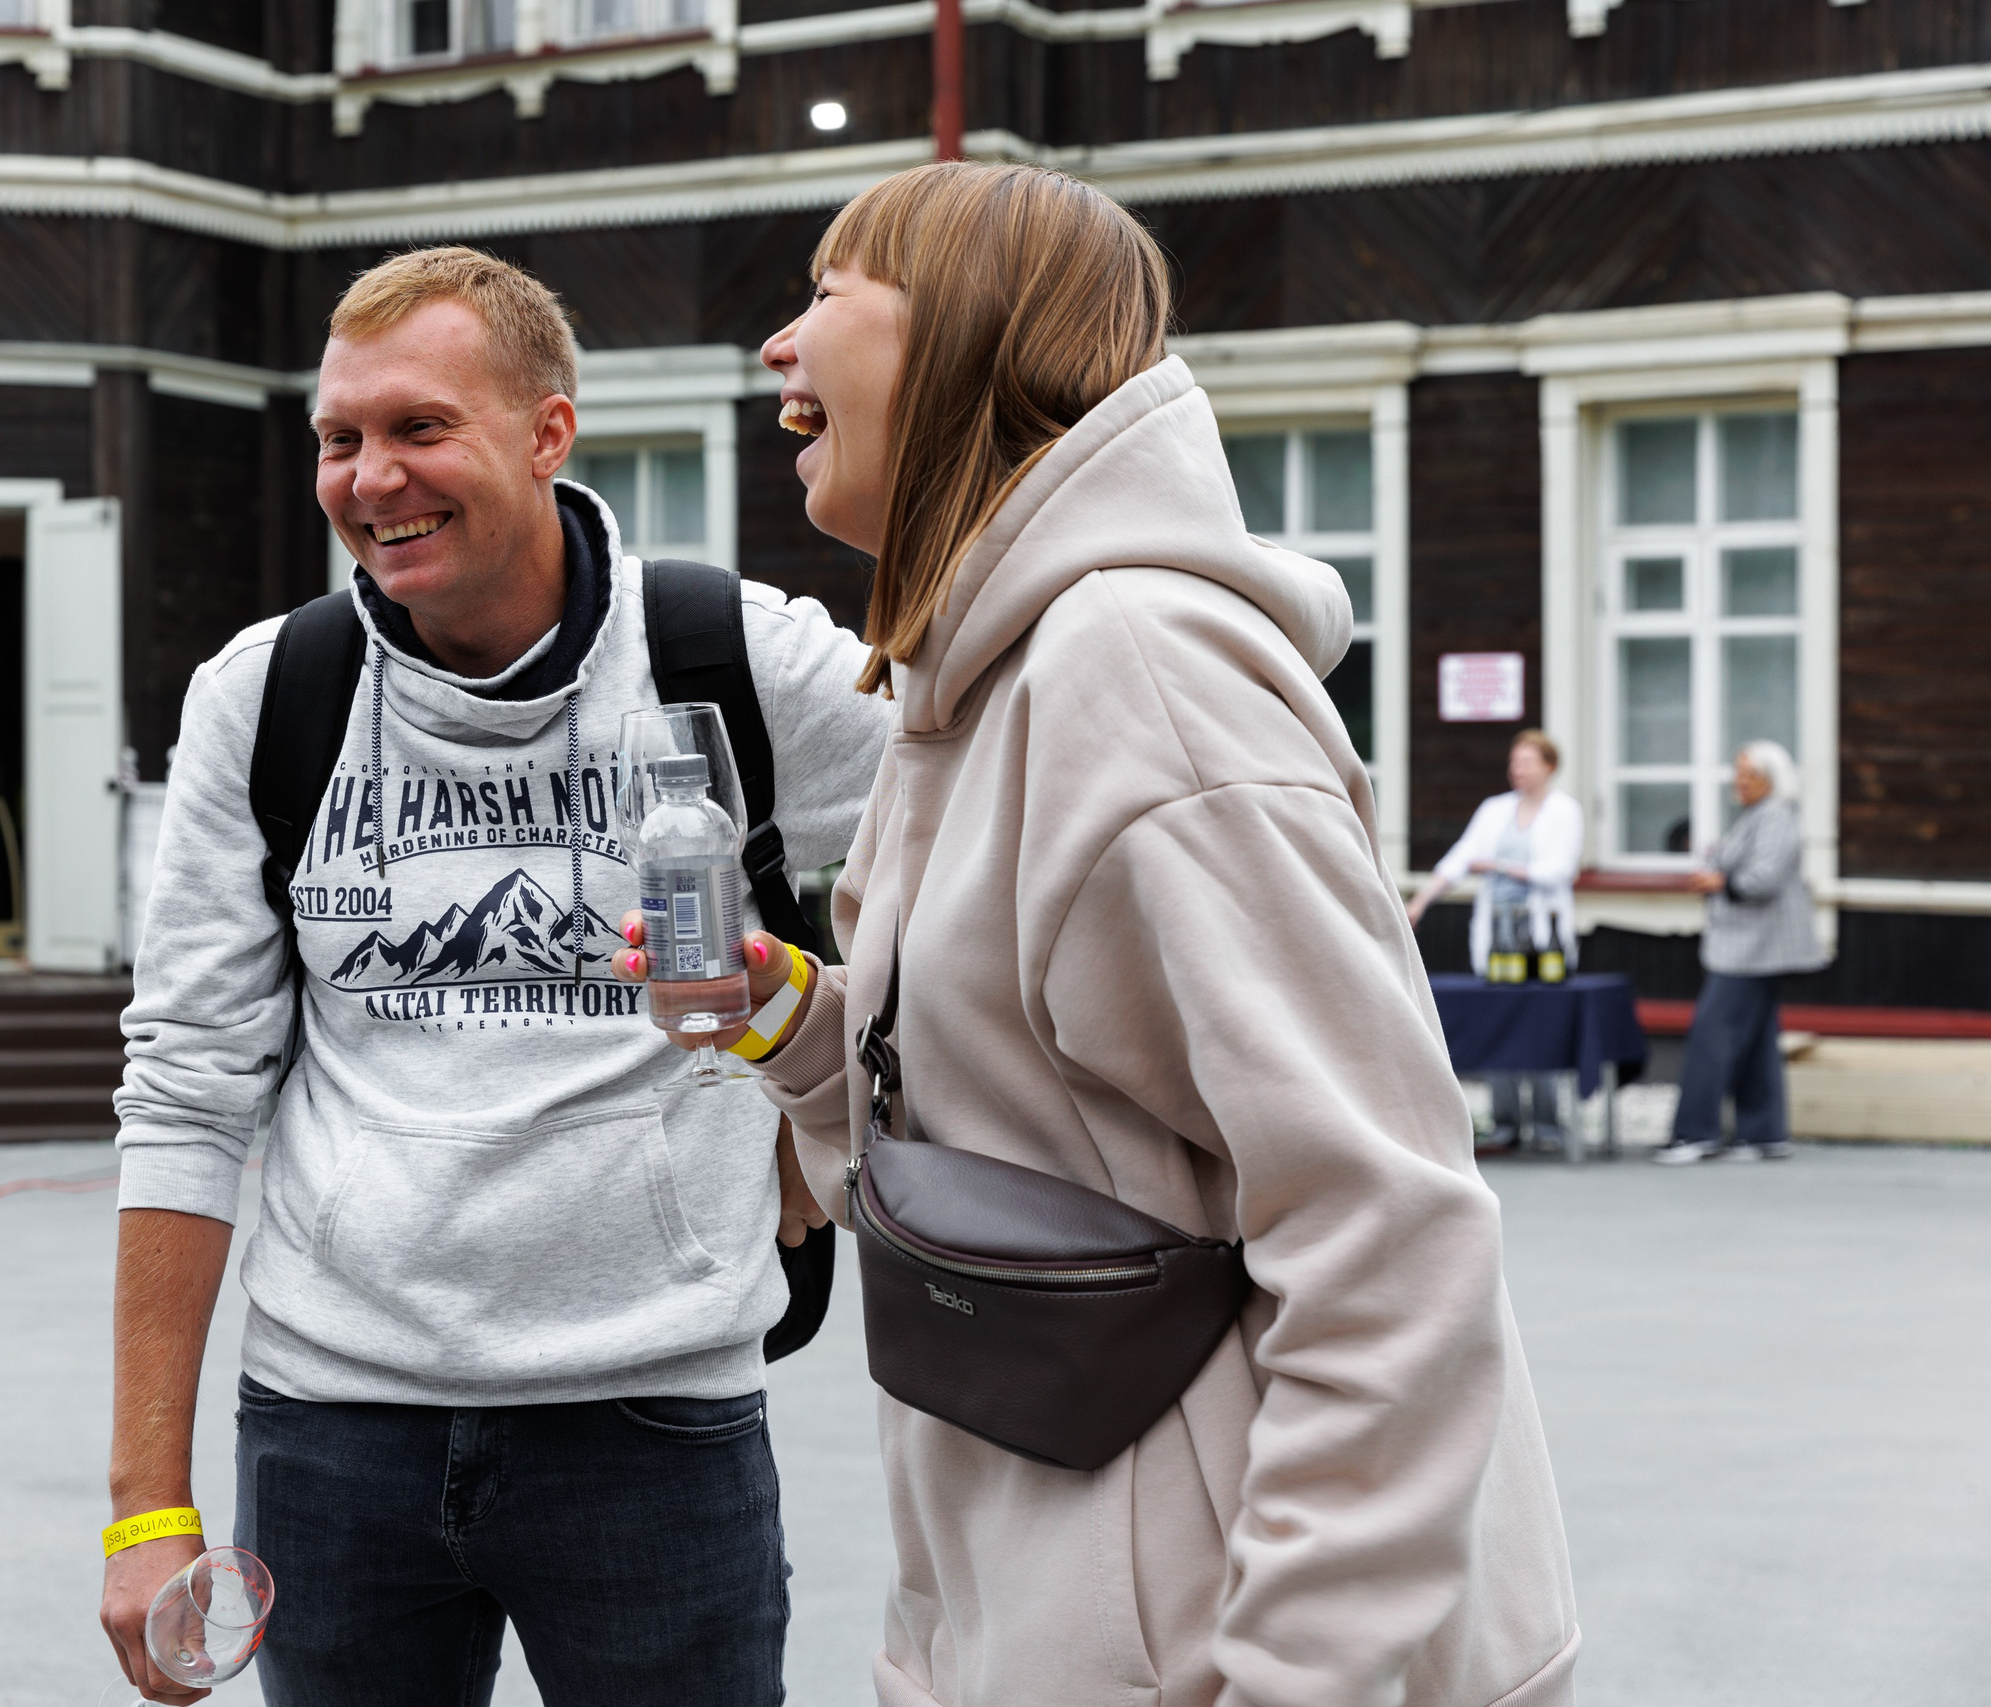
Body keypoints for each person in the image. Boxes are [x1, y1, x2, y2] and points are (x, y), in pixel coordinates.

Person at [622, 162, 1578, 1707]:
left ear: (964, 339)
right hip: (1042, 1596)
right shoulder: (979, 674)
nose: (776, 348)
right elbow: (1035, 1115)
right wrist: (797, 1020)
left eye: (827, 293)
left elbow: (1387, 1231)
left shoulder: (1131, 667)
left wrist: (1295, 1676)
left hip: (1215, 1643)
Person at [102, 247, 889, 1707]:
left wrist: (807, 1042)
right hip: (333, 1426)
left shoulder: (736, 657)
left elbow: (999, 834)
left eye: (418, 427)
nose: (369, 477)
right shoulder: (267, 696)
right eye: (339, 438)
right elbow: (188, 1090)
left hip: (656, 1413)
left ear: (546, 431)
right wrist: (148, 1504)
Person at [1406, 729, 1586, 1147]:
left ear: (1549, 767)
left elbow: (1557, 870)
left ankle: (1547, 1124)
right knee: (1498, 1024)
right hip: (1499, 936)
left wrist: (1501, 867)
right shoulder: (1494, 809)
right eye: (1513, 762)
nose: (1517, 770)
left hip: (1543, 938)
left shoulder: (1564, 811)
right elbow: (1461, 858)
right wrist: (1419, 903)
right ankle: (1506, 1123)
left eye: (1526, 762)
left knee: (1542, 1026)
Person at [1657, 740, 1825, 1165]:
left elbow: (1763, 879)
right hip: (1752, 948)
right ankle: (1764, 1134)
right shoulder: (1762, 816)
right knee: (1756, 1042)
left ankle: (1695, 1134)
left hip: (1752, 951)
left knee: (1711, 1036)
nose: (1739, 782)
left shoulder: (1775, 817)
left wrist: (1718, 882)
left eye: (1747, 774)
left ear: (1768, 780)